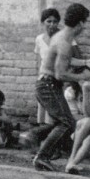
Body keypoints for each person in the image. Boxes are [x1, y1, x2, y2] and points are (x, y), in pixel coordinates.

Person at [33, 2, 90, 170]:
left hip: (48, 84)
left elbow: (63, 60)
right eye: (85, 22)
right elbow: (61, 74)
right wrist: (82, 76)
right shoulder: (65, 42)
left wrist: (86, 61)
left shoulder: (61, 37)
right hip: (48, 84)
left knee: (62, 121)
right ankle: (39, 152)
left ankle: (34, 140)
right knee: (66, 123)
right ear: (80, 23)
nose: (84, 27)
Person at [23, 8, 61, 146]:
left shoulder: (62, 38)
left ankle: (53, 145)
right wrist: (38, 76)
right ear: (43, 23)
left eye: (55, 21)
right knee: (44, 116)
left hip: (58, 79)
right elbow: (39, 60)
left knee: (56, 116)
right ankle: (42, 144)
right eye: (48, 21)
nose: (52, 24)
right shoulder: (39, 39)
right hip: (44, 80)